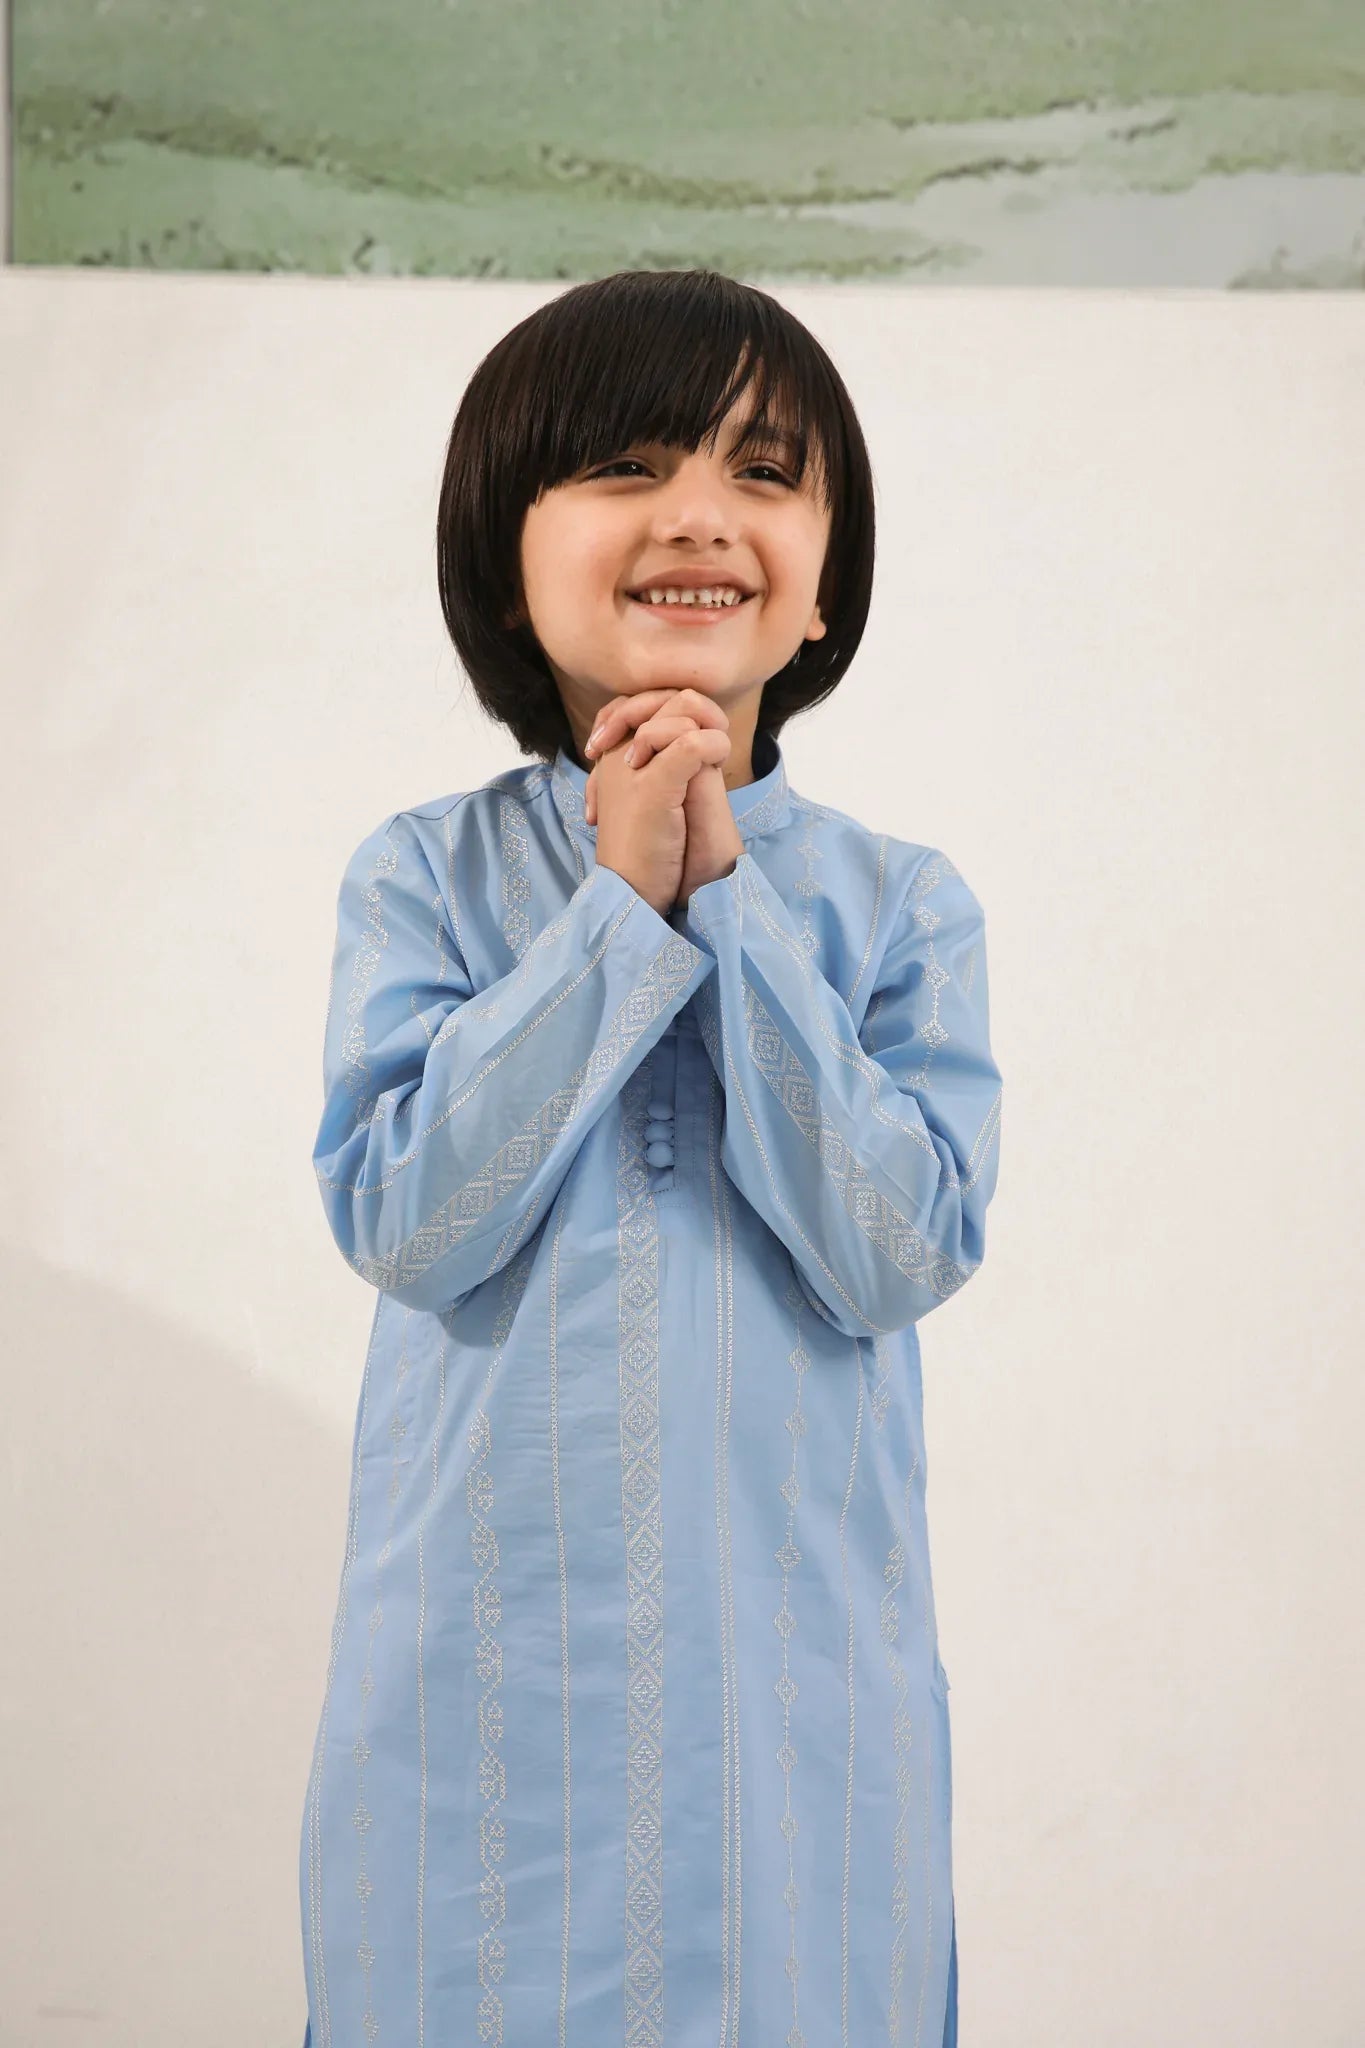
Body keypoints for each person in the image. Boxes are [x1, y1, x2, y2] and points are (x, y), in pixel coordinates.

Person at [298, 267, 1001, 2048]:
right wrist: (613, 904)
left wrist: (730, 913)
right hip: (482, 1693)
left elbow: (898, 1250)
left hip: (797, 1709)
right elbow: (402, 1212)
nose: (701, 512)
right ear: (499, 552)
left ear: (823, 577)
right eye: (624, 464)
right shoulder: (426, 880)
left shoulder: (897, 908)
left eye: (765, 475)